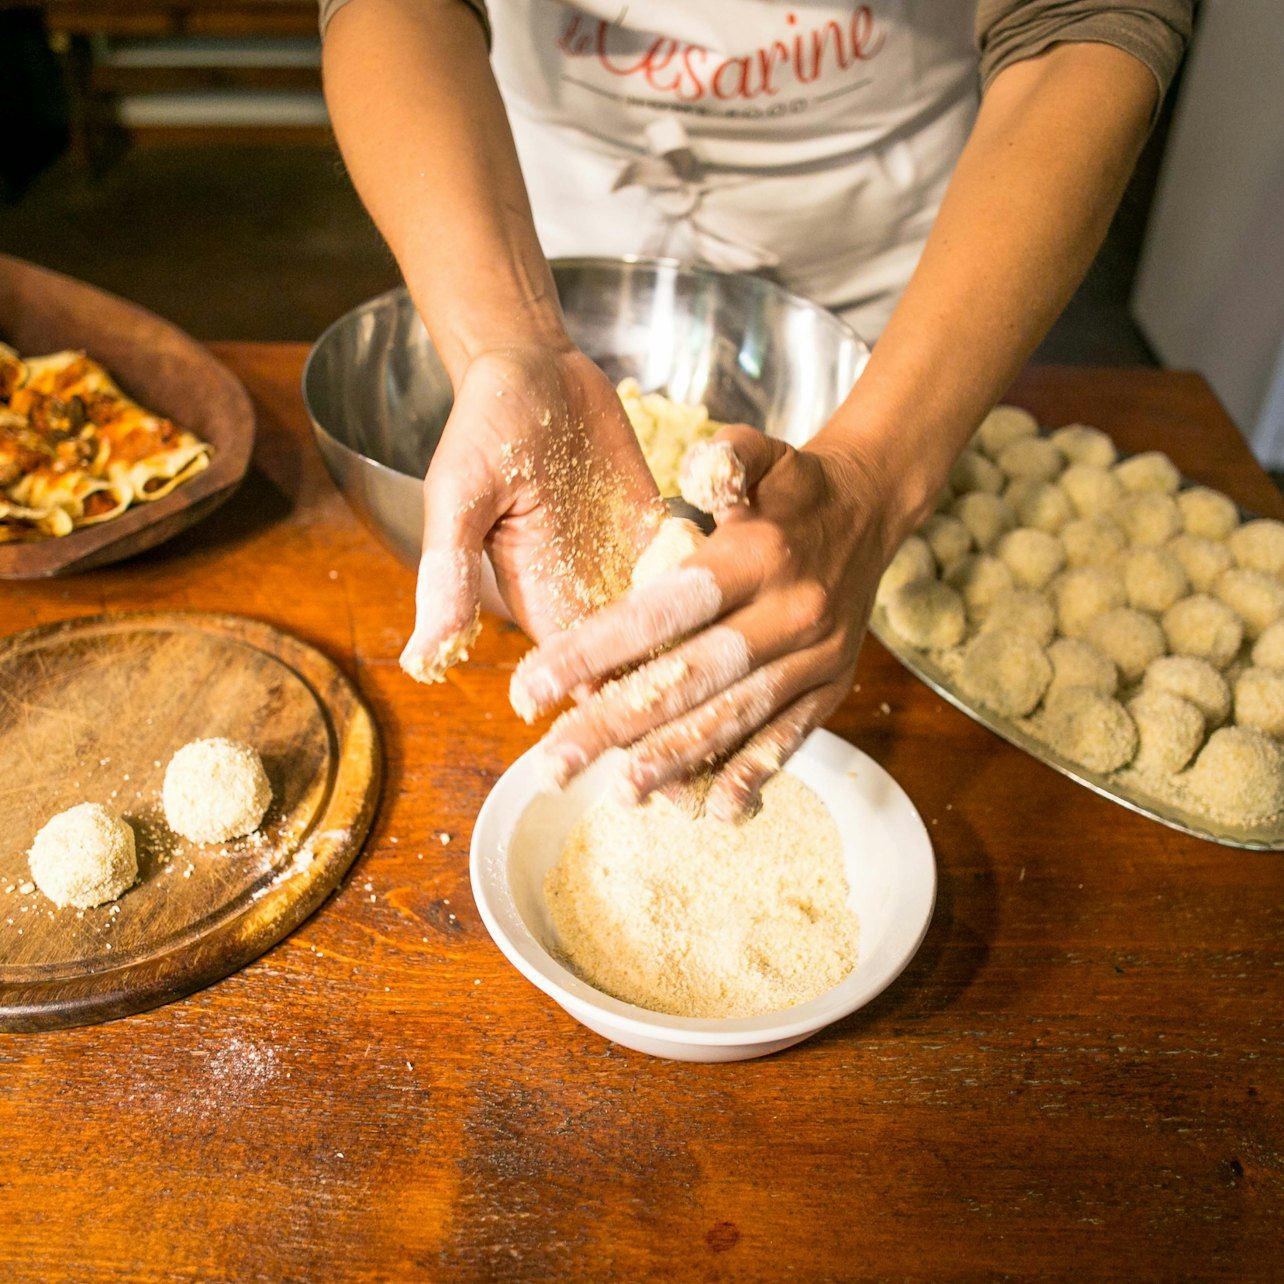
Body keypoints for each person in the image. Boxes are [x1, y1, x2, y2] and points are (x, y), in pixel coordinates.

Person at [321, 0, 1191, 820]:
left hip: (911, 286)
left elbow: (1082, 25)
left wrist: (873, 476)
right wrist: (513, 342)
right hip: (531, 216)